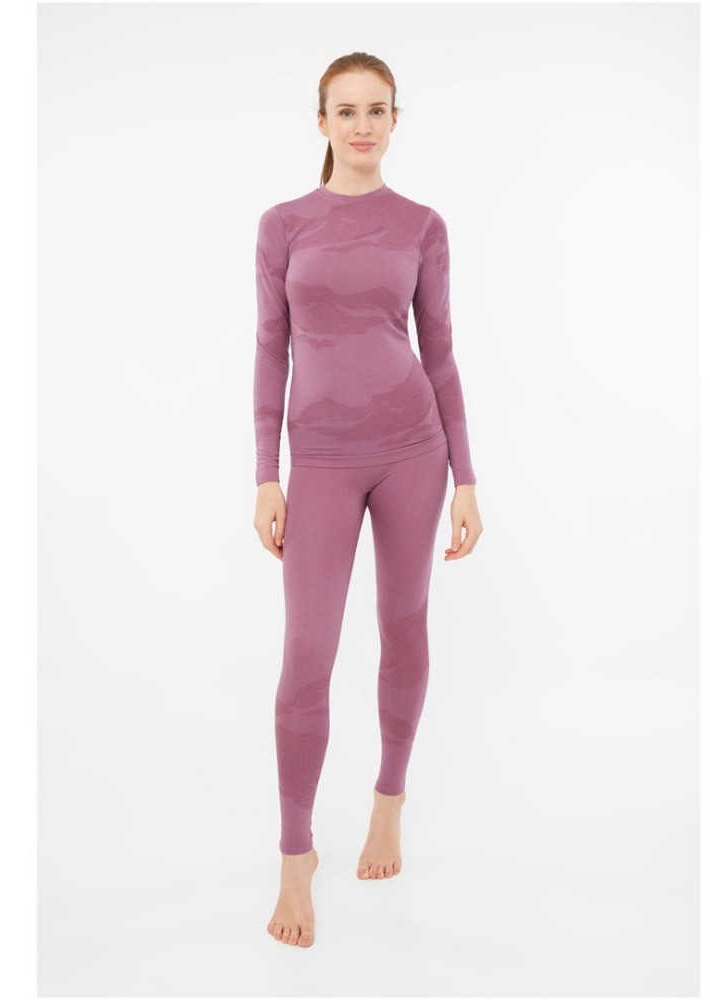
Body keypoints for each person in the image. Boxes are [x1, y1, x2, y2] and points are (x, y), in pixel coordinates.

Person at [252, 52, 483, 948]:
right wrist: (265, 474)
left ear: (395, 120)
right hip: (319, 459)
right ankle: (296, 854)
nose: (361, 126)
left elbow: (442, 354)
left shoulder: (422, 225)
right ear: (321, 122)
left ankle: (389, 799)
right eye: (344, 111)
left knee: (403, 624)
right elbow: (270, 349)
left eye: (375, 110)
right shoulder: (283, 225)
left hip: (413, 451)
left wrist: (467, 478)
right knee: (306, 653)